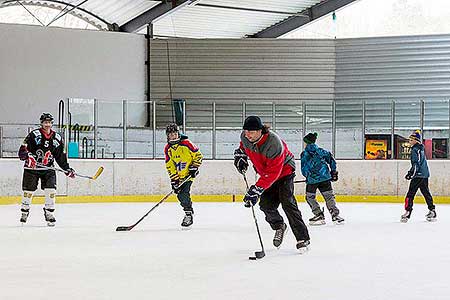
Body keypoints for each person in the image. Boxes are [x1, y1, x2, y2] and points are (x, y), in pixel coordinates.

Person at [234, 116, 310, 253]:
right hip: (265, 174)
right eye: (246, 131)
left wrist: (256, 189)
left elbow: (274, 172)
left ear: (260, 131)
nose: (247, 134)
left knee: (287, 202)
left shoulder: (274, 143)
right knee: (266, 205)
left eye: (251, 132)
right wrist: (240, 156)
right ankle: (279, 226)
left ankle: (302, 238)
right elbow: (243, 146)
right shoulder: (245, 137)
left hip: (284, 171)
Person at [18, 113, 75, 226]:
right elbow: (22, 151)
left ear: (52, 123)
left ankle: (49, 213)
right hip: (32, 168)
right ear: (41, 123)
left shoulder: (57, 138)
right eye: (45, 122)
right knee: (28, 192)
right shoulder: (33, 135)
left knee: (51, 190)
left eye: (49, 122)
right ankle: (25, 211)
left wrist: (67, 169)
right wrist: (28, 156)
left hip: (48, 168)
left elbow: (60, 157)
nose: (47, 124)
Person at [300, 132, 344, 225]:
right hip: (325, 178)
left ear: (307, 143)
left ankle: (319, 214)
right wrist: (333, 172)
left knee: (310, 197)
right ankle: (335, 215)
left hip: (312, 180)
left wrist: (307, 176)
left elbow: (304, 168)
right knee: (329, 196)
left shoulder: (304, 154)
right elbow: (332, 160)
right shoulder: (321, 151)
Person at [164, 123, 203, 228]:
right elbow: (170, 165)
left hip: (188, 175)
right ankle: (189, 211)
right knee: (179, 194)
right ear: (167, 136)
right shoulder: (168, 148)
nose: (173, 136)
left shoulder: (187, 143)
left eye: (175, 134)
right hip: (179, 177)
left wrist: (194, 167)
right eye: (171, 135)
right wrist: (174, 180)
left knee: (183, 194)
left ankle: (188, 214)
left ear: (178, 133)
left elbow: (198, 155)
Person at [401, 130, 436, 223]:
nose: (409, 141)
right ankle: (432, 211)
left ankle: (407, 212)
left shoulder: (415, 150)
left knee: (410, 194)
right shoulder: (421, 149)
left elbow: (416, 164)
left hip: (418, 175)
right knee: (425, 192)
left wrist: (411, 173)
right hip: (424, 174)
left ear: (416, 140)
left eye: (411, 139)